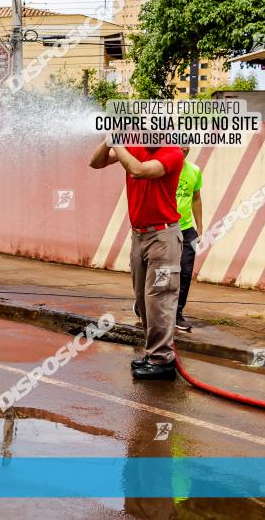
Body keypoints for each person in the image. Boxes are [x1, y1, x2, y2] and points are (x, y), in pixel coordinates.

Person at [90, 140, 184, 380]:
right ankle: (153, 353)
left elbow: (139, 171)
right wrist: (108, 139)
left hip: (163, 237)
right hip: (139, 235)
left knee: (159, 299)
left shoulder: (172, 152)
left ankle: (162, 360)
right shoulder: (133, 146)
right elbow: (95, 163)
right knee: (143, 299)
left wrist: (118, 142)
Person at [175, 146, 202, 331]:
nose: (184, 147)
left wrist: (199, 227)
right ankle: (145, 304)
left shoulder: (194, 170)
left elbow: (196, 198)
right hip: (165, 229)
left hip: (187, 230)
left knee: (185, 272)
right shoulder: (161, 168)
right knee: (162, 272)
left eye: (187, 143)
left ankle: (177, 313)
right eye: (179, 142)